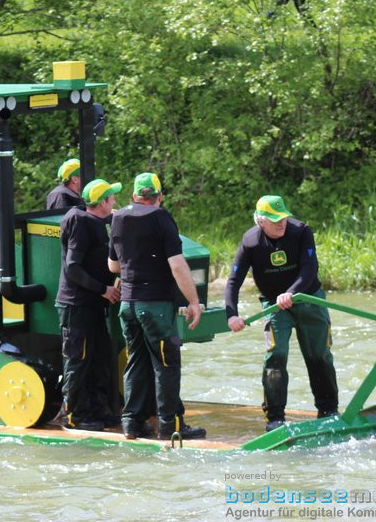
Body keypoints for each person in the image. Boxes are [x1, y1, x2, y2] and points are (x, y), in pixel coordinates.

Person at [224, 195, 339, 432]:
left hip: (308, 298)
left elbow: (310, 269)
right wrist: (231, 314)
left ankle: (328, 411)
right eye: (275, 219)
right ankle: (275, 418)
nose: (281, 223)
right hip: (274, 306)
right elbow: (234, 280)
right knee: (276, 356)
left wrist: (290, 292)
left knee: (319, 354)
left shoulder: (301, 231)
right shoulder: (251, 241)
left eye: (283, 217)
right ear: (261, 221)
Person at [108, 172, 206, 440]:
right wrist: (194, 302)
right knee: (166, 364)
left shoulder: (117, 217)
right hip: (155, 306)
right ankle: (170, 426)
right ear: (159, 197)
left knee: (135, 362)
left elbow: (113, 266)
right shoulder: (161, 217)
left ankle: (132, 424)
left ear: (134, 195)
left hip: (127, 305)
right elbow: (177, 265)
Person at [55, 178, 123, 431]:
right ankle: (73, 414)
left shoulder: (96, 220)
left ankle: (97, 410)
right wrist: (103, 289)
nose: (115, 201)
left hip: (95, 305)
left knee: (100, 358)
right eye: (112, 197)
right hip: (77, 305)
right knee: (78, 359)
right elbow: (73, 267)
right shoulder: (79, 222)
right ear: (102, 202)